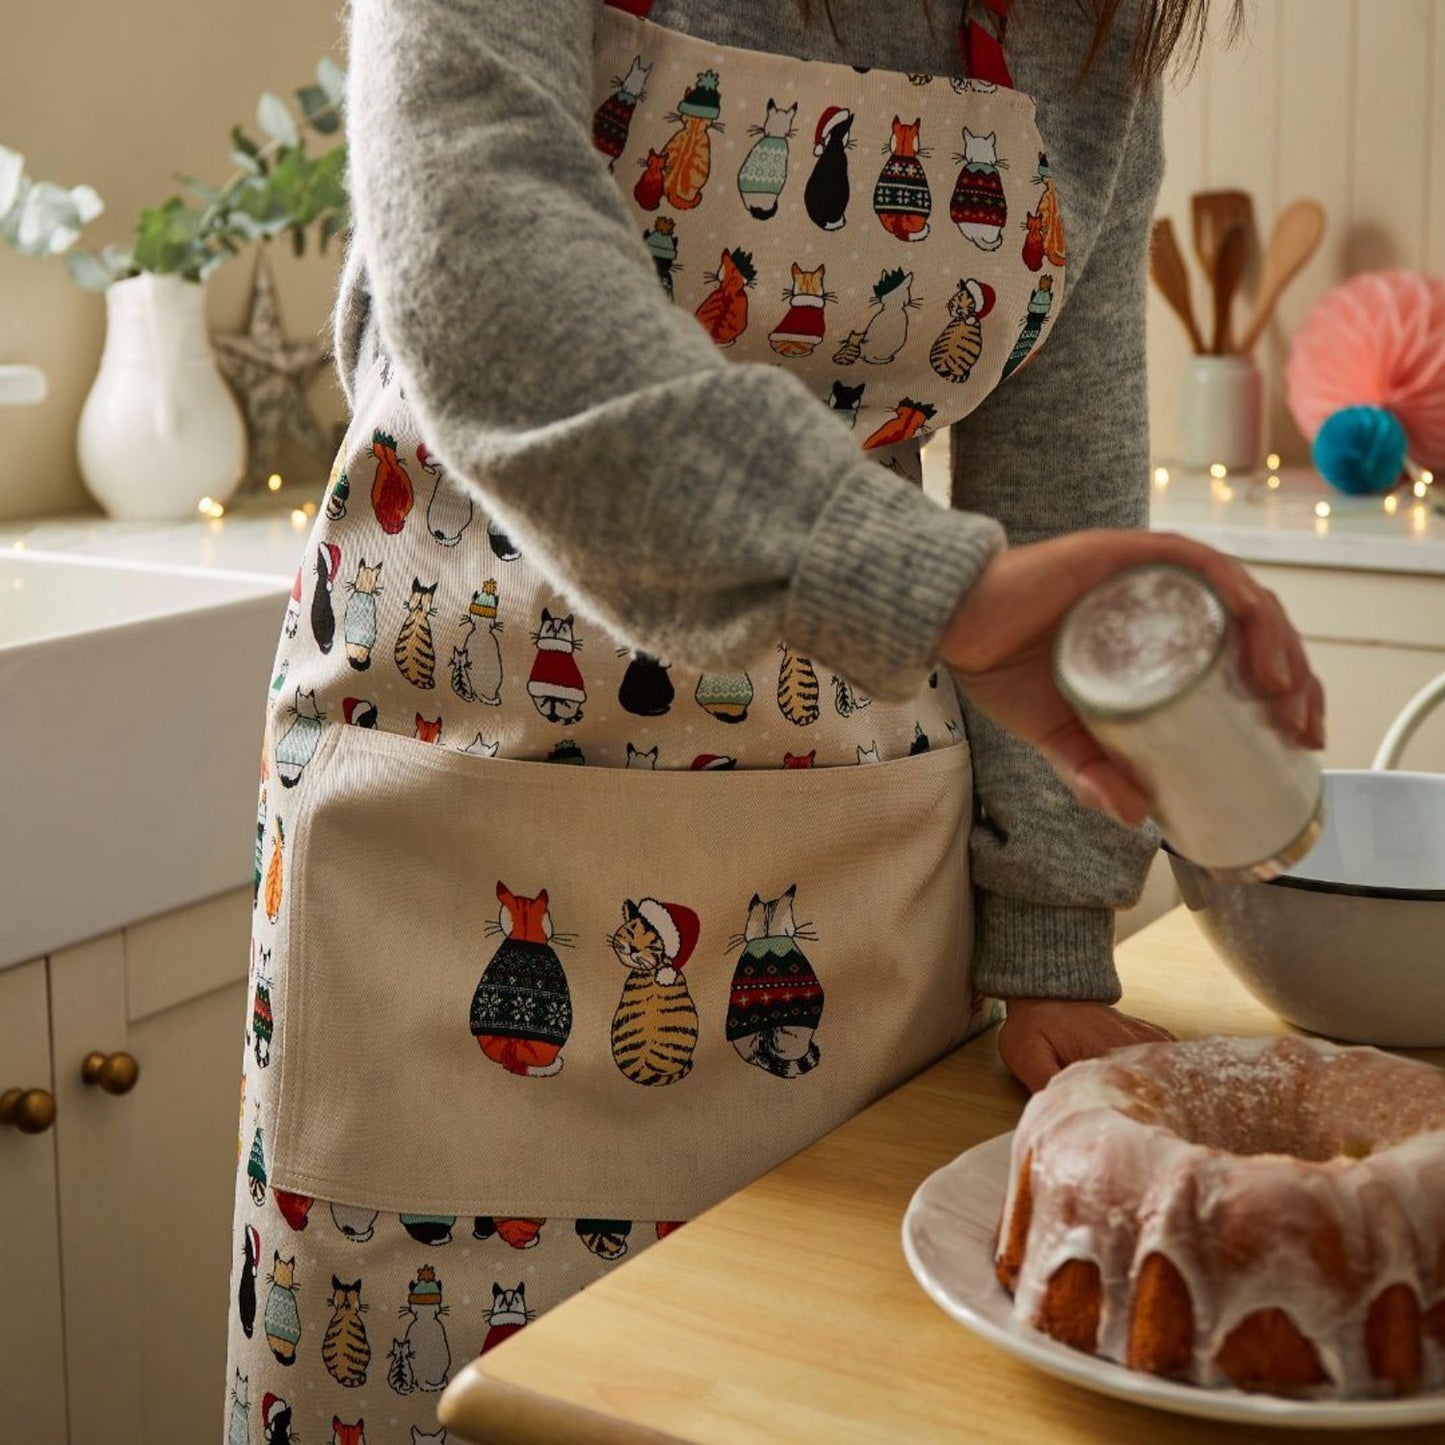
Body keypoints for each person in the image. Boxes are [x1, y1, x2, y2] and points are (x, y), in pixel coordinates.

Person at [224, 0, 1322, 1433]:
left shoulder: (1082, 29)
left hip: (847, 922)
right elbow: (484, 267)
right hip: (443, 859)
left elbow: (1058, 474)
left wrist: (1055, 936)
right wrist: (927, 585)